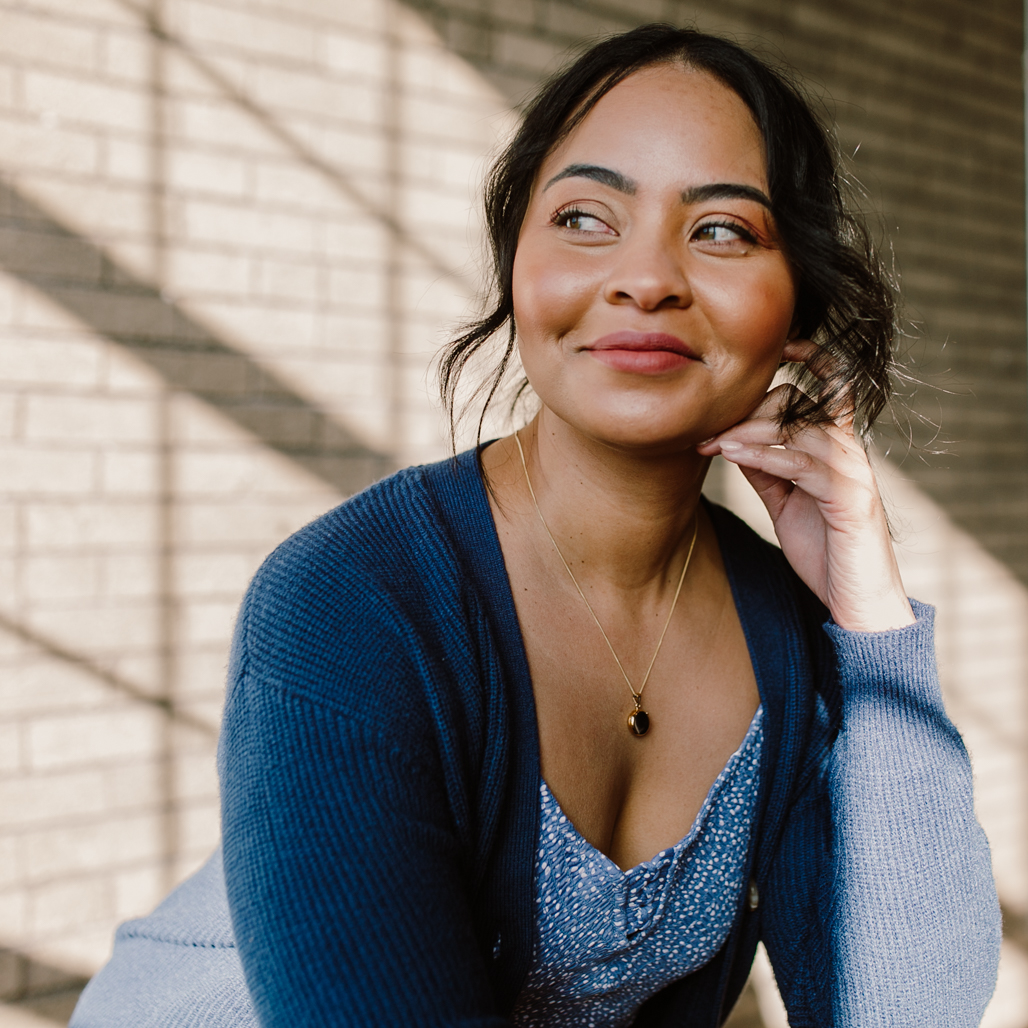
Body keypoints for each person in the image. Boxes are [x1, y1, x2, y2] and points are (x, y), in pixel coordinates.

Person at [72, 24, 1000, 1028]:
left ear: (796, 312)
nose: (645, 277)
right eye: (584, 218)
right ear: (518, 269)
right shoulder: (350, 601)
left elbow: (906, 1007)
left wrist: (870, 625)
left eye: (721, 229)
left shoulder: (778, 624)